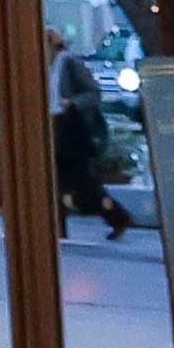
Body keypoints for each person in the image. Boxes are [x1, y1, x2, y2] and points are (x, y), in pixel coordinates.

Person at [50, 42, 133, 240]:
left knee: (83, 183)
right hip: (56, 127)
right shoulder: (49, 66)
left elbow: (93, 93)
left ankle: (117, 216)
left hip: (71, 129)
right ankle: (56, 228)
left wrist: (71, 103)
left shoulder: (69, 64)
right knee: (56, 181)